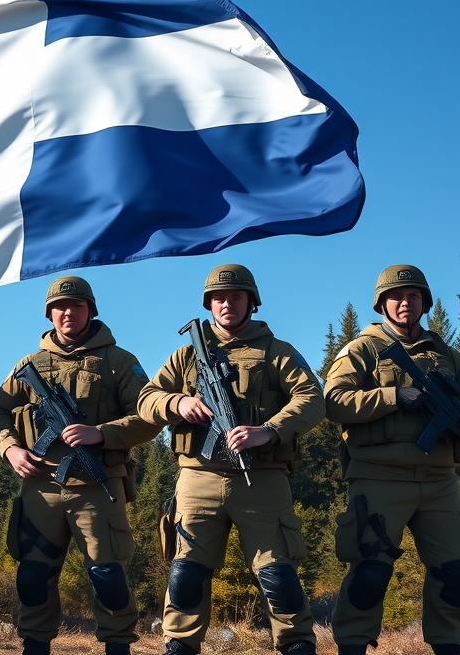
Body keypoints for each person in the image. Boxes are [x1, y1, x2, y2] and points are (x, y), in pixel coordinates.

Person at [138, 263, 324, 655]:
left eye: (235, 296)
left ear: (251, 302)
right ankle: (180, 645)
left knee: (278, 575)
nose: (227, 304)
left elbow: (312, 399)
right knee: (186, 572)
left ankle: (296, 643)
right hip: (198, 476)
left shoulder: (277, 352)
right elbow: (146, 400)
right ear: (209, 304)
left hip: (263, 476)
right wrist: (178, 402)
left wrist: (268, 430)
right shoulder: (187, 355)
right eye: (219, 298)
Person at [324, 265, 460, 655]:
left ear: (424, 302)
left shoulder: (446, 355)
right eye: (397, 297)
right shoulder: (361, 350)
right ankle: (352, 645)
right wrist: (391, 398)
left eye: (413, 297)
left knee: (455, 573)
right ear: (382, 303)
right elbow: (333, 402)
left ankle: (448, 645)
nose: (405, 303)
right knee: (370, 572)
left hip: (440, 480)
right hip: (379, 476)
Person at [0, 275, 159, 655]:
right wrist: (11, 450)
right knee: (33, 577)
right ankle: (35, 645)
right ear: (49, 314)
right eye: (60, 307)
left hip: (98, 488)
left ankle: (118, 644)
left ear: (90, 311)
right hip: (40, 486)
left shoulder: (118, 361)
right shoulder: (28, 365)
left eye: (76, 306)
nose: (68, 313)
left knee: (108, 577)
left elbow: (148, 417)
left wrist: (100, 433)